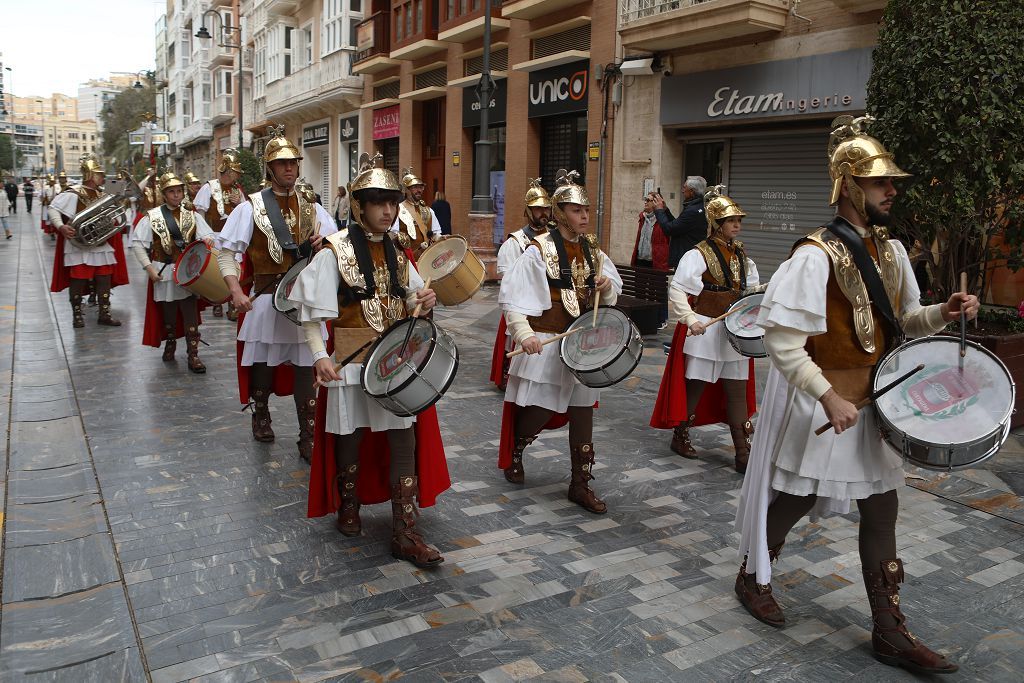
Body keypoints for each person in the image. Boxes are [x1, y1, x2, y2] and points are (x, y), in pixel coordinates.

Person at [734, 116, 977, 674]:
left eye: (891, 181)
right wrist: (826, 397)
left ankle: (889, 630)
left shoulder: (890, 252)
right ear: (848, 186)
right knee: (796, 496)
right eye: (879, 182)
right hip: (827, 401)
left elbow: (907, 322)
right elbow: (783, 342)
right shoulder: (813, 256)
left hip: (879, 402)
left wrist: (944, 313)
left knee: (882, 503)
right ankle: (753, 574)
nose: (891, 190)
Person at [288, 153, 451, 568]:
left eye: (393, 203)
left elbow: (413, 296)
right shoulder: (334, 251)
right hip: (349, 363)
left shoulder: (399, 251)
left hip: (395, 364)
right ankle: (349, 504)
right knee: (351, 438)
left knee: (403, 440)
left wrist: (424, 299)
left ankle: (405, 531)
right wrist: (320, 356)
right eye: (379, 203)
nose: (389, 211)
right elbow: (312, 315)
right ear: (359, 206)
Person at [496, 169, 622, 514]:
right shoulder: (539, 250)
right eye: (577, 211)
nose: (584, 217)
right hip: (548, 341)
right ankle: (518, 449)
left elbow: (613, 292)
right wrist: (523, 334)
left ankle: (580, 484)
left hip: (583, 344)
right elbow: (514, 299)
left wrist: (605, 287)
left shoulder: (593, 249)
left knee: (583, 411)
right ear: (559, 213)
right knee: (540, 409)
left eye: (586, 210)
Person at [215, 125, 336, 463]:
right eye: (282, 164)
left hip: (304, 297)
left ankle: (308, 435)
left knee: (305, 367)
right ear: (270, 168)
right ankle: (261, 413)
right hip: (266, 297)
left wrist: (323, 243)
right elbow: (226, 252)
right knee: (263, 368)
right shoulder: (249, 207)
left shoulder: (312, 205)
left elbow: (338, 246)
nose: (289, 169)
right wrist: (236, 290)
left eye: (293, 163)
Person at [649, 186, 758, 473]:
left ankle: (742, 450)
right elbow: (678, 288)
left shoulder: (742, 255)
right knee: (696, 386)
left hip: (734, 331)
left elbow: (752, 289)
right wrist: (689, 319)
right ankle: (680, 434)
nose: (737, 225)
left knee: (736, 389)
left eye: (739, 220)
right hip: (706, 329)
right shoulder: (698, 254)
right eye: (731, 220)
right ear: (717, 224)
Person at [131, 172, 215, 372]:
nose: (176, 195)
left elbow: (208, 234)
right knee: (168, 315)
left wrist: (209, 240)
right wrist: (149, 268)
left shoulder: (191, 214)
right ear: (164, 194)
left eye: (179, 191)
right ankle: (170, 343)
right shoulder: (153, 217)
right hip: (164, 272)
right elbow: (137, 244)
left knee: (189, 314)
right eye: (171, 192)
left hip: (188, 272)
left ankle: (193, 354)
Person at [48, 153, 129, 328]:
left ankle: (104, 314)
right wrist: (61, 226)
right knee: (78, 279)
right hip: (79, 245)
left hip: (100, 244)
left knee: (104, 279)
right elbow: (53, 208)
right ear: (90, 175)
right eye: (99, 174)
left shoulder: (103, 194)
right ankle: (77, 315)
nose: (103, 177)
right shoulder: (74, 192)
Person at [489, 178, 552, 391]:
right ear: (528, 211)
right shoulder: (514, 243)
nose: (543, 213)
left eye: (546, 209)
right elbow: (510, 283)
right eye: (537, 209)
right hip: (522, 305)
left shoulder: (555, 240)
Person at [194, 150, 248, 319]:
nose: (237, 177)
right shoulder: (208, 188)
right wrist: (203, 236)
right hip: (214, 235)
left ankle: (233, 303)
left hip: (232, 236)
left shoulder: (237, 190)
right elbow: (199, 215)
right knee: (217, 270)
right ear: (229, 171)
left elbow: (247, 211)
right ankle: (217, 302)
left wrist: (239, 202)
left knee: (235, 269)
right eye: (235, 173)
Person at [653, 176, 707, 269]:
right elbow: (678, 226)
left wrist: (659, 210)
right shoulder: (697, 206)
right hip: (689, 256)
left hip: (687, 259)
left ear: (692, 191)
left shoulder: (692, 210)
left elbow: (669, 229)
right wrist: (665, 210)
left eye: (684, 188)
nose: (682, 191)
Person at [391, 167, 440, 260]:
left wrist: (441, 238)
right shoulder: (398, 209)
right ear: (406, 190)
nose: (419, 190)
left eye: (421, 187)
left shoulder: (429, 211)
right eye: (414, 187)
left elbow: (436, 233)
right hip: (408, 260)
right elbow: (394, 235)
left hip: (428, 259)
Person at [40, 175, 57, 239]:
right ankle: (50, 231)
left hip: (54, 206)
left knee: (53, 219)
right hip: (47, 206)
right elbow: (40, 196)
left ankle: (53, 231)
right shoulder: (45, 188)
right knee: (48, 219)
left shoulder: (56, 188)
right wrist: (43, 199)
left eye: (53, 181)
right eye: (51, 181)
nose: (52, 182)